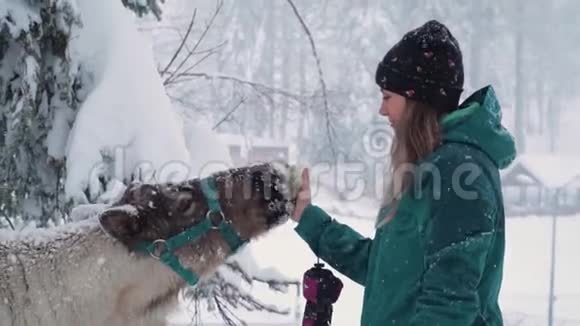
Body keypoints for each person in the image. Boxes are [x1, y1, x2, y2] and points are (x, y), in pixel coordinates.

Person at [291, 20, 516, 325]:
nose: (382, 111)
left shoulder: (458, 173)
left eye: (387, 97)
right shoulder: (434, 167)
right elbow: (387, 271)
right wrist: (308, 217)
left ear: (417, 101)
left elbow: (449, 308)